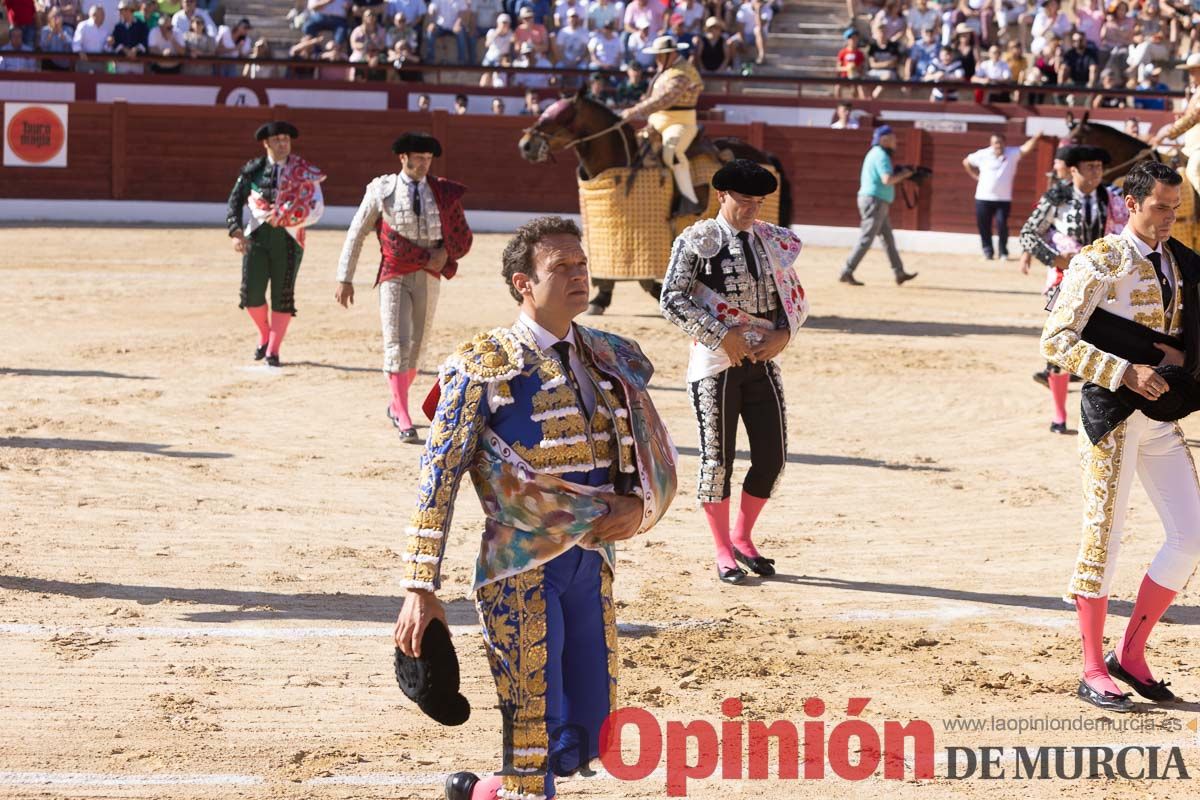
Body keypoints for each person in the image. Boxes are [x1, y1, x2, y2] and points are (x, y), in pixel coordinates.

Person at [393, 215, 676, 800]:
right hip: (518, 568)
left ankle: (481, 793)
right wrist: (420, 586)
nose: (578, 276)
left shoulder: (608, 355)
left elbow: (648, 455)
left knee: (586, 736)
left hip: (592, 562)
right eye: (561, 268)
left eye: (582, 265)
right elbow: (437, 476)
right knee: (533, 738)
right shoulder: (481, 364)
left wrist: (641, 507)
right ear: (523, 283)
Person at [1040, 160, 1200, 713]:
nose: (1168, 219)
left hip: (1160, 420)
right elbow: (1056, 340)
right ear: (1129, 204)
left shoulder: (1181, 263)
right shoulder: (1102, 260)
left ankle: (1129, 656)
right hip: (1111, 418)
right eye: (1159, 207)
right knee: (1102, 538)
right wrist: (1124, 370)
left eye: (1175, 210)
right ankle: (1090, 667)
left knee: (1192, 535)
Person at [660, 159, 806, 584]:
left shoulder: (772, 240)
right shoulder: (697, 241)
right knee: (717, 459)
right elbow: (672, 298)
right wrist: (721, 336)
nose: (753, 210)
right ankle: (722, 549)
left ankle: (743, 538)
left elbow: (790, 296)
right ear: (722, 195)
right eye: (745, 201)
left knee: (772, 457)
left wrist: (784, 334)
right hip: (715, 364)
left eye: (759, 202)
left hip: (761, 360)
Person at [335, 132, 473, 442]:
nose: (424, 164)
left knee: (418, 347)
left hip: (428, 274)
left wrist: (446, 253)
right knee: (397, 343)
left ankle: (396, 404)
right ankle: (403, 414)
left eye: (428, 159)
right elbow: (356, 232)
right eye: (419, 159)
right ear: (403, 158)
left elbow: (461, 235)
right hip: (394, 274)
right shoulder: (381, 189)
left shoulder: (442, 191)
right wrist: (345, 277)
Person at [1020, 144, 1127, 434]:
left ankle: (1099, 414)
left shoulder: (1112, 197)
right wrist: (1054, 258)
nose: (1097, 172)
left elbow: (1128, 233)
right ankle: (1059, 414)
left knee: (1105, 344)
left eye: (1099, 167)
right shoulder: (1056, 197)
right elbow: (1028, 233)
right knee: (1061, 343)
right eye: (1090, 167)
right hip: (1064, 279)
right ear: (1073, 170)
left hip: (1105, 281)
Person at [226, 121, 326, 368]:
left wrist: (292, 217)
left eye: (286, 140)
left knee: (283, 293)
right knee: (251, 294)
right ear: (266, 143)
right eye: (278, 140)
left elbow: (316, 207)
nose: (283, 144)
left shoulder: (303, 171)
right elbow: (235, 200)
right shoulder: (253, 170)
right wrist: (236, 232)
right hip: (257, 237)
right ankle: (264, 333)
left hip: (289, 238)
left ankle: (273, 348)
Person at [620, 35, 705, 215]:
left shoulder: (683, 73)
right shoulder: (667, 70)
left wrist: (634, 111)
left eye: (661, 55)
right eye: (657, 55)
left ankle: (689, 200)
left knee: (672, 151)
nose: (657, 59)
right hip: (657, 121)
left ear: (672, 54)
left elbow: (663, 100)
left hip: (680, 123)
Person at [839, 125, 919, 287]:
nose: (896, 141)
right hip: (875, 201)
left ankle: (899, 272)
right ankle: (847, 270)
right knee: (867, 238)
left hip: (876, 201)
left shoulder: (875, 153)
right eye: (893, 138)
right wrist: (906, 174)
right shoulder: (881, 155)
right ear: (884, 140)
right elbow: (887, 180)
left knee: (887, 239)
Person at [961, 131, 1042, 260]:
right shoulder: (983, 154)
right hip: (983, 197)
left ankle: (1003, 251)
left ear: (1004, 143)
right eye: (995, 143)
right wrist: (974, 176)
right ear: (991, 144)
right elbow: (966, 161)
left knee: (1002, 224)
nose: (997, 145)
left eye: (999, 142)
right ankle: (988, 251)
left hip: (1003, 199)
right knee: (984, 226)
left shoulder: (1011, 153)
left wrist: (1036, 137)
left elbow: (1026, 148)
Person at [1149, 54, 1200, 196]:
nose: (1190, 74)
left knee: (1194, 170)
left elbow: (1194, 116)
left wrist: (1169, 132)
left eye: (1193, 71)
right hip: (1193, 146)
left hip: (1197, 147)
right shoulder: (1195, 92)